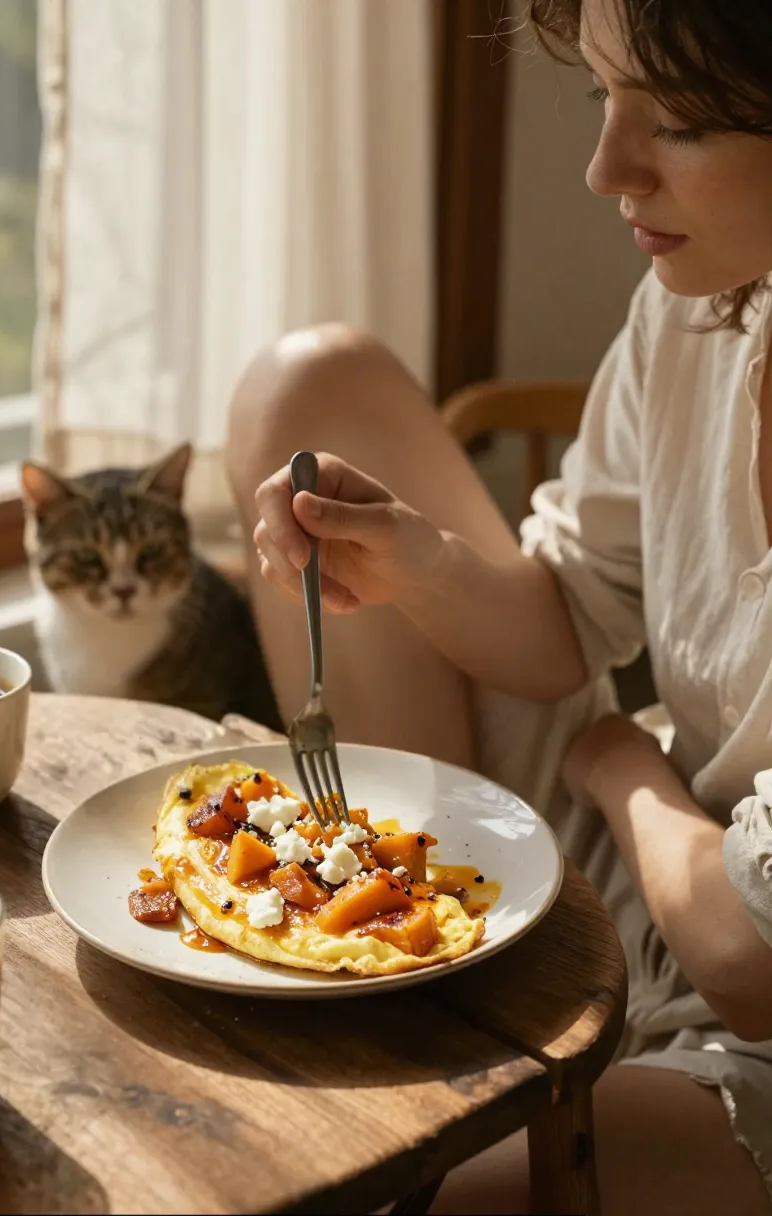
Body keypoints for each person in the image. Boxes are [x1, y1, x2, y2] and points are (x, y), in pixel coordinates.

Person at [226, 0, 772, 1210]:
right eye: (600, 97)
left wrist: (620, 760)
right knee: (308, 384)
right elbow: (563, 620)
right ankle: (415, 944)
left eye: (673, 122)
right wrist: (414, 560)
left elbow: (748, 957)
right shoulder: (697, 313)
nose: (603, 171)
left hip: (750, 1007)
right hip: (666, 864)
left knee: (411, 1178)